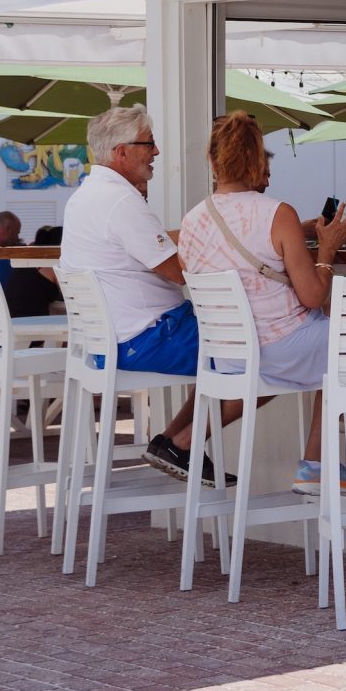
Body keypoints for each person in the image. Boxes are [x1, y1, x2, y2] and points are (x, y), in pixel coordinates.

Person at [174, 112, 346, 494]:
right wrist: (328, 250)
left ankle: (334, 437)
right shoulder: (277, 213)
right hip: (280, 349)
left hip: (230, 356)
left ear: (212, 161)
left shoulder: (191, 221)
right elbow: (314, 296)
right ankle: (318, 460)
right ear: (258, 160)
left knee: (331, 343)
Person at [59, 105, 220, 484]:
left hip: (113, 341)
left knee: (235, 345)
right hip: (147, 339)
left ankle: (171, 443)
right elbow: (180, 272)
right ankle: (182, 442)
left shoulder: (87, 196)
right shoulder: (120, 201)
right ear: (122, 152)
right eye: (149, 144)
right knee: (264, 349)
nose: (156, 152)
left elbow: (153, 243)